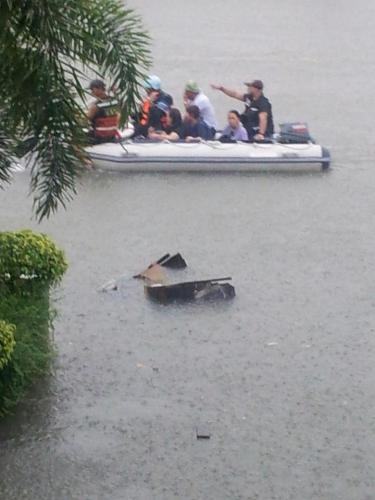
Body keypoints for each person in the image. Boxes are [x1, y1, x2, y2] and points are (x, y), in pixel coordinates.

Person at [87, 79, 120, 143]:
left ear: (99, 89)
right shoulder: (114, 101)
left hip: (98, 137)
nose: (91, 92)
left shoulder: (95, 106)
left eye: (92, 89)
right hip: (112, 135)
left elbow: (85, 119)